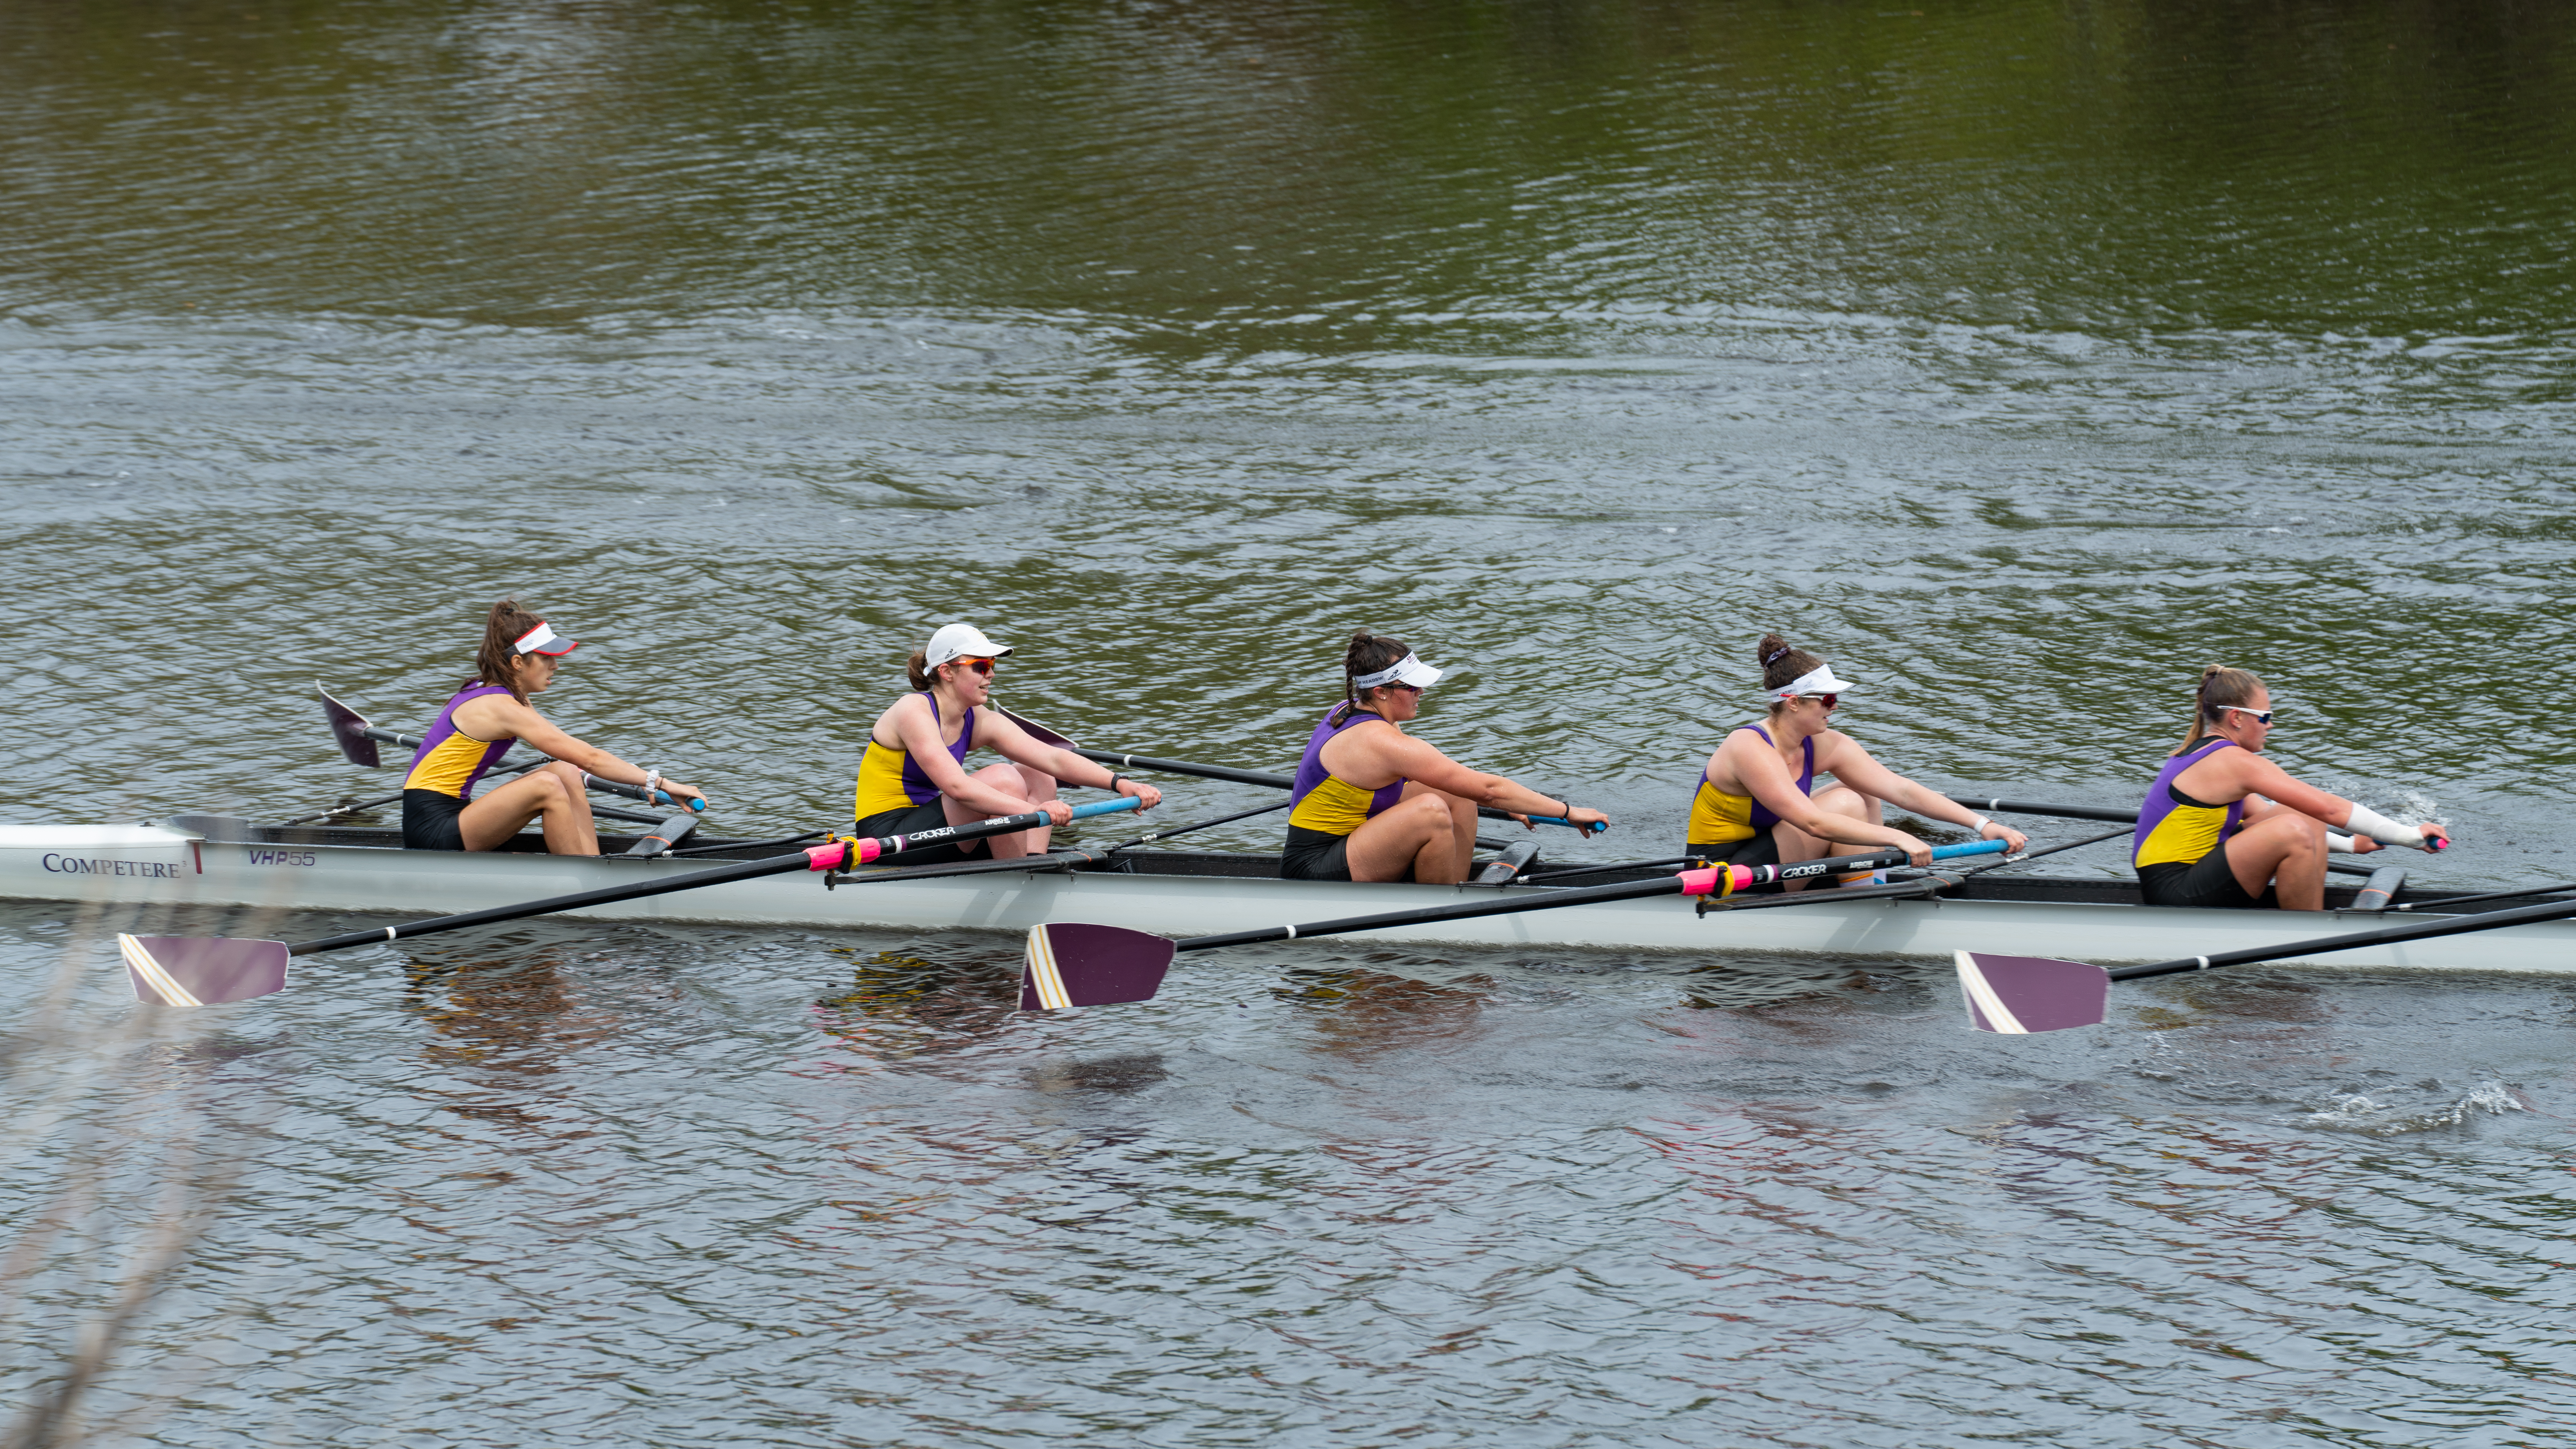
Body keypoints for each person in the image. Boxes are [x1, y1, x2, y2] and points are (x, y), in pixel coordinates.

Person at [1686, 634, 2027, 890]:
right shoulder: (1749, 746)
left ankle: (1867, 881)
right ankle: (1866, 894)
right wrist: (1895, 837)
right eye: (1828, 699)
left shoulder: (1821, 744)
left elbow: (1902, 791)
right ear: (1793, 703)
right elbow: (1815, 824)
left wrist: (1983, 826)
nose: (1835, 707)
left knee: (1862, 790)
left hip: (1770, 853)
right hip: (1721, 872)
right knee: (1846, 802)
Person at [1280, 630, 1609, 885]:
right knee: (1431, 812)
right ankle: (1441, 915)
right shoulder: (1380, 741)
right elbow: (1490, 790)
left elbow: (1467, 785)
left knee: (1455, 794)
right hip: (1313, 866)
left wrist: (1517, 803)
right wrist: (1568, 811)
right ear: (1381, 691)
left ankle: (1455, 885)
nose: (1422, 692)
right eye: (1412, 687)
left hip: (1351, 837)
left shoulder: (1354, 709)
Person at [401, 601, 707, 853]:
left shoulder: (500, 692)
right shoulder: (499, 706)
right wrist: (660, 783)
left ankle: (590, 861)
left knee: (563, 770)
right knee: (546, 785)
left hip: (455, 815)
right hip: (432, 831)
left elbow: (577, 757)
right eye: (547, 658)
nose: (556, 666)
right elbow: (591, 759)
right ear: (519, 663)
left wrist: (645, 781)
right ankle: (583, 880)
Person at [2133, 666, 2448, 910]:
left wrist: (2351, 845)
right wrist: (2410, 836)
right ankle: (2309, 932)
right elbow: (2331, 808)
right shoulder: (2230, 761)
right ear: (2238, 718)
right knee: (2295, 828)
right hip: (2175, 891)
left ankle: (2302, 918)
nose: (2271, 725)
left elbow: (2275, 819)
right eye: (2266, 716)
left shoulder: (2210, 754)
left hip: (2195, 873)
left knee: (2300, 815)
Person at [852, 623, 1161, 863]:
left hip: (938, 828)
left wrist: (1120, 783)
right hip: (887, 839)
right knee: (1003, 777)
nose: (992, 675)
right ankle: (1015, 875)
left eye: (992, 666)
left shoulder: (977, 718)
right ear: (946, 672)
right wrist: (1035, 810)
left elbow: (1053, 758)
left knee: (1035, 771)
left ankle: (1034, 864)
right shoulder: (913, 711)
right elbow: (958, 788)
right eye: (982, 666)